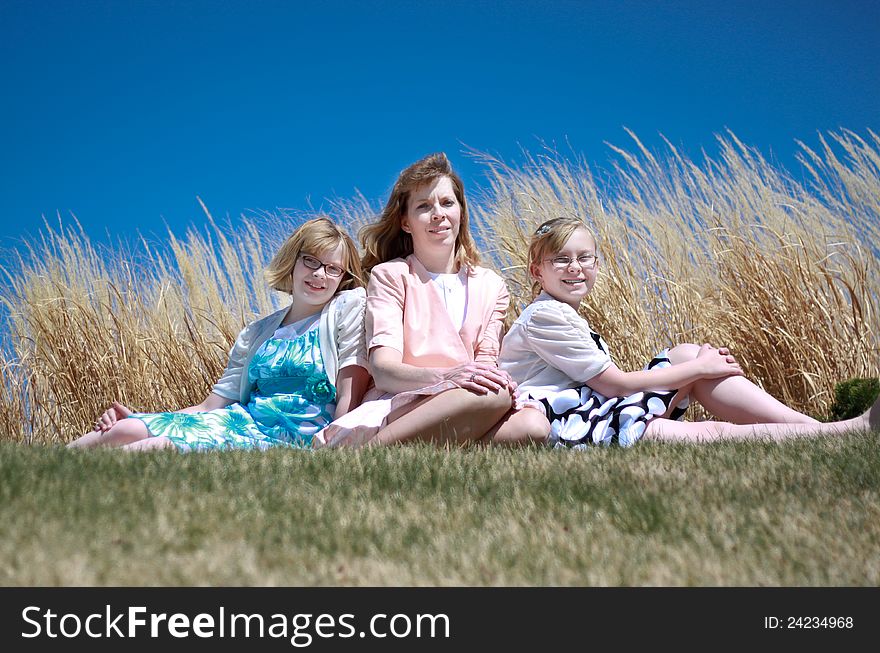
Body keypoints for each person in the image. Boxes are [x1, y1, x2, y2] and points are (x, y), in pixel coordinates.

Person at [498, 216, 880, 447]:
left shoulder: (563, 313)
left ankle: (821, 432)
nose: (575, 268)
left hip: (589, 407)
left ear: (597, 265)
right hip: (570, 423)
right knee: (693, 424)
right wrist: (701, 370)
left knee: (685, 352)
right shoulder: (544, 317)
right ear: (537, 271)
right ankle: (844, 431)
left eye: (585, 258)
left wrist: (696, 365)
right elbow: (612, 385)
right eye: (561, 260)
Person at [67, 217, 370, 452]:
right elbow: (210, 407)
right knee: (124, 430)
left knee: (155, 447)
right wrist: (141, 416)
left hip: (288, 437)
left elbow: (349, 394)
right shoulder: (258, 332)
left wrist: (334, 446)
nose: (320, 274)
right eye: (311, 261)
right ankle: (47, 465)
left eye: (333, 268)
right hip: (239, 421)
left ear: (344, 277)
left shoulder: (346, 307)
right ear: (292, 261)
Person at [314, 153, 549, 448]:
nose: (438, 213)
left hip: (470, 401)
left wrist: (479, 383)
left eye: (447, 203)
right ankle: (371, 451)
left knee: (534, 425)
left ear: (460, 212)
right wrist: (449, 377)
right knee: (492, 395)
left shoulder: (492, 285)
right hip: (403, 400)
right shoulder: (390, 275)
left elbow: (486, 363)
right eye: (424, 207)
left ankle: (432, 443)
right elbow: (385, 371)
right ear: (406, 223)